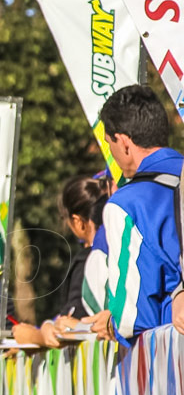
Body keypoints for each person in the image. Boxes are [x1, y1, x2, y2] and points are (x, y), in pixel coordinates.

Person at [79, 86, 184, 342]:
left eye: (109, 144)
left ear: (124, 143)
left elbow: (132, 318)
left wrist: (108, 324)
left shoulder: (126, 204)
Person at [13, 175, 109, 348]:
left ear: (78, 222)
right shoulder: (114, 253)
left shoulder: (89, 262)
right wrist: (48, 325)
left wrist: (34, 336)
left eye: (66, 219)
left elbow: (70, 326)